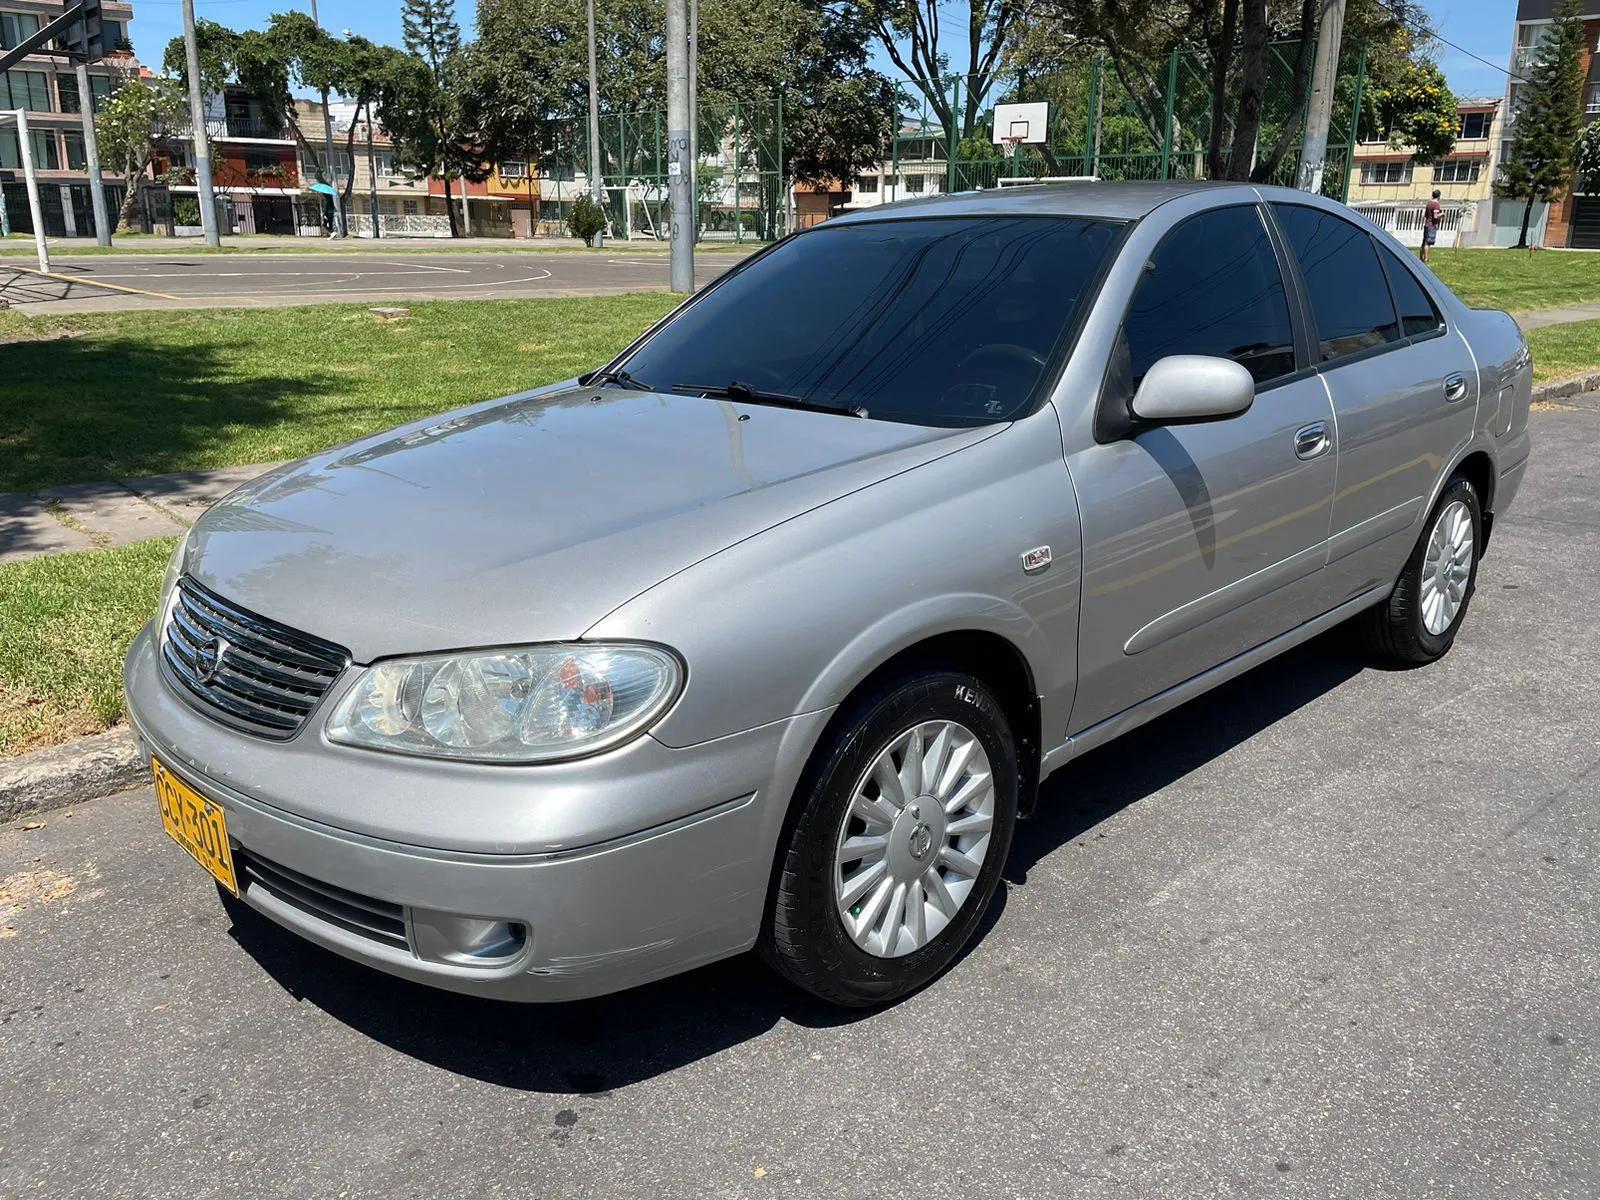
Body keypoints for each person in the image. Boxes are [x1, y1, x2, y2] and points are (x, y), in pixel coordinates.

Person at [1421, 189, 1443, 262]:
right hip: (1431, 225)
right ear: (1439, 196)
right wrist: (1442, 214)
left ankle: (1421, 257)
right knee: (1428, 243)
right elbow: (1435, 216)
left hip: (1427, 224)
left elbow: (1426, 215)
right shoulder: (1436, 204)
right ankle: (1426, 258)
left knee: (1424, 242)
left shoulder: (1429, 203)